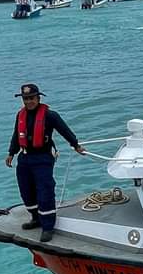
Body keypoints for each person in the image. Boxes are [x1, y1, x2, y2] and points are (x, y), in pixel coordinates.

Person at [5, 83, 86, 242]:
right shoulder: (20, 115)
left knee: (45, 192)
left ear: (38, 98)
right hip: (25, 158)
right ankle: (36, 218)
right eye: (25, 99)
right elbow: (16, 135)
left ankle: (48, 226)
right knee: (26, 191)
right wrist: (11, 153)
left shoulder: (50, 115)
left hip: (42, 158)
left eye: (31, 98)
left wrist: (75, 145)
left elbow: (65, 130)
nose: (28, 102)